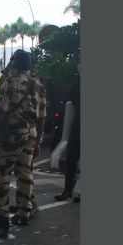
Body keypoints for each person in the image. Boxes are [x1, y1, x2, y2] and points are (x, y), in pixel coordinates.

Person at [0, 49, 46, 229]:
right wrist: (38, 141)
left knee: (1, 171)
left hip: (13, 134)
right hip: (31, 133)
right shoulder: (38, 85)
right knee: (24, 172)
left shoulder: (10, 83)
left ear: (15, 64)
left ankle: (1, 214)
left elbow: (1, 111)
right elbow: (42, 117)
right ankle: (24, 213)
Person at [55, 73, 81, 202]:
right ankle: (67, 190)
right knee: (71, 159)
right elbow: (70, 100)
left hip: (78, 126)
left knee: (72, 159)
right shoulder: (77, 85)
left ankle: (68, 191)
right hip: (77, 127)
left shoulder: (77, 85)